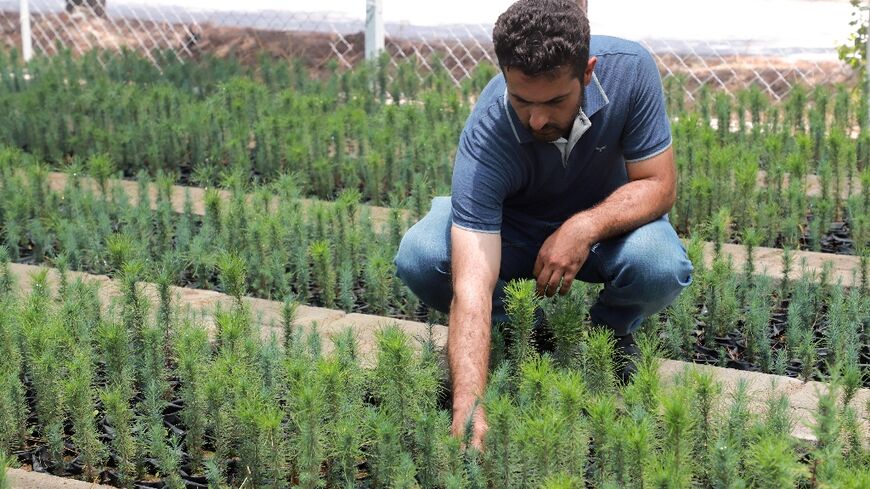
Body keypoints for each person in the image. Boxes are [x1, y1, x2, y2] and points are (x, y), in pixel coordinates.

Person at [394, 0, 693, 448]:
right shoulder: (488, 128)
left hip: (603, 231)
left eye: (555, 101)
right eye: (521, 100)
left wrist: (583, 227)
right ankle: (503, 337)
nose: (536, 119)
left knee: (659, 263)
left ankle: (607, 337)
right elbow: (471, 283)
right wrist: (468, 405)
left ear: (587, 73)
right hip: (510, 230)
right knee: (422, 256)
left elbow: (659, 185)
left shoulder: (632, 71)